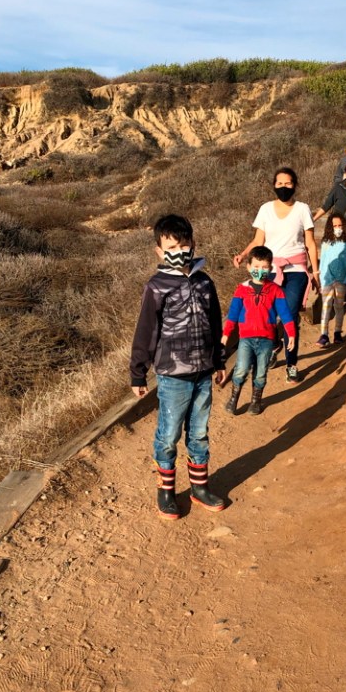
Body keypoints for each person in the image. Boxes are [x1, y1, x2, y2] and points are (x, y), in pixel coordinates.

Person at [130, 214, 226, 520]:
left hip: (203, 372)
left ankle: (199, 488)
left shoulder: (204, 281)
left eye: (183, 245)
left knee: (199, 433)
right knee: (169, 434)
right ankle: (166, 491)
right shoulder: (157, 286)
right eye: (171, 246)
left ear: (193, 245)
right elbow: (146, 330)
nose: (178, 251)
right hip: (172, 375)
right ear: (159, 251)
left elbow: (215, 323)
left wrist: (220, 360)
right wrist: (138, 371)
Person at [233, 167, 318, 385]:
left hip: (296, 270)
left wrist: (315, 272)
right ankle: (275, 345)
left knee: (289, 314)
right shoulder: (265, 209)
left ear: (295, 185)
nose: (283, 187)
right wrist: (243, 255)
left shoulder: (302, 209)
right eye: (279, 183)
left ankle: (291, 364)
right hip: (269, 271)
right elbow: (258, 240)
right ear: (273, 185)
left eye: (287, 183)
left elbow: (310, 242)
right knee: (267, 313)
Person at [221, 246, 296, 415]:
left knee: (261, 372)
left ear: (270, 269)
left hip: (267, 339)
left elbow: (285, 313)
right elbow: (233, 313)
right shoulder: (241, 289)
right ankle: (234, 398)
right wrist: (226, 333)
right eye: (256, 267)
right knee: (241, 369)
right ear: (248, 267)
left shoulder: (275, 290)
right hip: (246, 337)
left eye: (264, 268)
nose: (259, 271)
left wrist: (291, 333)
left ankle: (256, 401)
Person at [316, 213, 346, 348]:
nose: (337, 228)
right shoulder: (326, 242)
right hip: (327, 279)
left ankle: (337, 332)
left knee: (338, 307)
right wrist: (322, 280)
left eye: (340, 225)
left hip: (342, 281)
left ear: (343, 226)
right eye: (335, 226)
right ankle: (324, 334)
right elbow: (323, 262)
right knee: (326, 307)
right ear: (330, 227)